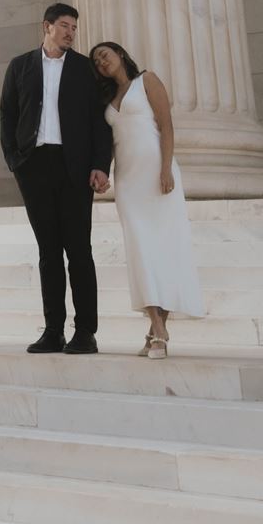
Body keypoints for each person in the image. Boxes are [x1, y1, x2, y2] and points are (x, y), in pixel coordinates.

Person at [0, 2, 112, 354]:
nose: (70, 32)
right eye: (64, 25)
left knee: (79, 250)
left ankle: (85, 332)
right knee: (48, 252)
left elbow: (99, 121)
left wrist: (100, 165)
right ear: (46, 26)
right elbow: (7, 114)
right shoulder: (20, 66)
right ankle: (53, 331)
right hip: (34, 167)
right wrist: (16, 161)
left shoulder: (84, 69)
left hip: (74, 167)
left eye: (74, 28)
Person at [90, 41, 204, 357]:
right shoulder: (107, 100)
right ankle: (158, 326)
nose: (101, 61)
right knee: (141, 252)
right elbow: (110, 143)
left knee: (164, 250)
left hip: (157, 174)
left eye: (105, 54)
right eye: (97, 61)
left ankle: (157, 333)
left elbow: (166, 127)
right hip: (128, 182)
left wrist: (166, 168)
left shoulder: (147, 81)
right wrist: (103, 173)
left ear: (121, 55)